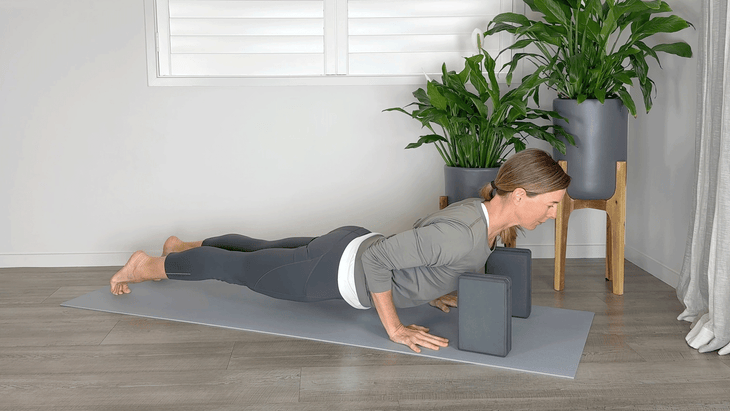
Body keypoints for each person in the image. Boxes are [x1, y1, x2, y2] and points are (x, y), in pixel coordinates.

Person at [110, 148, 570, 353]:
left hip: (348, 242)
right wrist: (393, 328)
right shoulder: (466, 232)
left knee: (261, 250)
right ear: (521, 195)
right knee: (239, 270)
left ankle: (181, 246)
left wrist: (431, 287)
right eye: (550, 206)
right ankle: (147, 265)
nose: (552, 215)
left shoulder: (478, 214)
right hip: (335, 271)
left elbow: (417, 238)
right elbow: (379, 260)